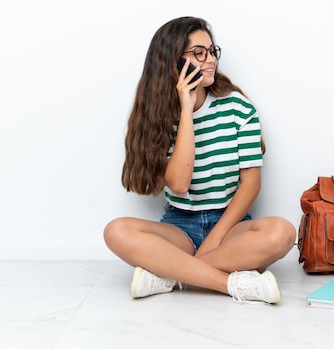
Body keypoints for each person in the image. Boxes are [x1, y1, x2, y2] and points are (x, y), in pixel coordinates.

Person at [103, 16, 296, 305]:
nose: (210, 61)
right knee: (116, 231)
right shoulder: (158, 117)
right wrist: (186, 109)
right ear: (173, 62)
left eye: (211, 51)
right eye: (198, 53)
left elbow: (251, 184)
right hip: (180, 225)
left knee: (282, 232)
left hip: (230, 225)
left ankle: (171, 274)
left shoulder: (239, 108)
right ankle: (230, 284)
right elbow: (179, 184)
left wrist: (216, 238)